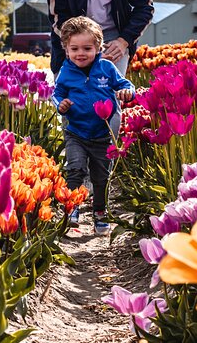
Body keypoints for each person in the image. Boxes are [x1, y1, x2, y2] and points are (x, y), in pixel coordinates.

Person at [52, 17, 134, 235]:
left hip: (102, 135)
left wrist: (128, 92)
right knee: (75, 169)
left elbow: (124, 84)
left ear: (98, 47)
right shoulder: (65, 71)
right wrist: (61, 104)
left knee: (101, 177)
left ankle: (100, 212)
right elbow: (57, 94)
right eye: (74, 48)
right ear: (66, 49)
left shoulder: (106, 68)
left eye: (87, 48)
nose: (81, 53)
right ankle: (72, 207)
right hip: (76, 132)